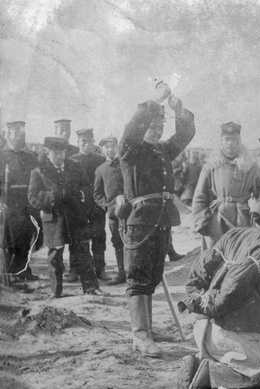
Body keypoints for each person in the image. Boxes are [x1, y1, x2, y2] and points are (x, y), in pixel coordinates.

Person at [176, 210, 260, 389]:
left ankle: (201, 365)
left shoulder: (237, 234)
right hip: (235, 334)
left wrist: (199, 299)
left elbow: (202, 266)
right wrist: (215, 306)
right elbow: (237, 281)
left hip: (206, 332)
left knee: (240, 361)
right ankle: (213, 374)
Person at [119, 82, 195, 357]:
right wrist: (155, 100)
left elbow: (185, 134)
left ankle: (147, 328)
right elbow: (132, 128)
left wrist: (178, 109)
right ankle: (140, 336)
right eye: (152, 126)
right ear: (143, 128)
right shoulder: (130, 149)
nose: (157, 130)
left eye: (160, 126)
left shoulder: (162, 151)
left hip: (162, 218)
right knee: (138, 276)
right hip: (139, 221)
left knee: (152, 275)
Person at [28, 137, 107, 298]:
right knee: (55, 255)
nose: (59, 156)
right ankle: (55, 291)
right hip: (54, 218)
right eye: (55, 153)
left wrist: (81, 195)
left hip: (75, 216)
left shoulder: (75, 167)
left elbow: (87, 187)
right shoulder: (38, 172)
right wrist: (53, 197)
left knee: (83, 251)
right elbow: (33, 197)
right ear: (47, 153)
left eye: (62, 152)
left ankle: (91, 288)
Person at [192, 122, 260, 247]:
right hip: (217, 218)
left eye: (234, 140)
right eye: (227, 139)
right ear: (221, 141)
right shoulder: (211, 166)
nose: (230, 143)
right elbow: (199, 194)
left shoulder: (250, 165)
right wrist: (200, 220)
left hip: (242, 218)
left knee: (240, 255)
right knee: (215, 256)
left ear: (239, 141)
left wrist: (259, 208)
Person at [0, 121, 40, 281]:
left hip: (28, 200)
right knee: (11, 239)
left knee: (26, 235)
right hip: (10, 201)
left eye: (21, 132)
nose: (18, 135)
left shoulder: (30, 156)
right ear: (8, 134)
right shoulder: (2, 156)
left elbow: (38, 178)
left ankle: (23, 270)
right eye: (15, 132)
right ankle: (12, 272)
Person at [70, 129, 109, 281]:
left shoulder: (100, 160)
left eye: (89, 141)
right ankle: (74, 269)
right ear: (78, 143)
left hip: (97, 204)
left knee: (99, 236)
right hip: (78, 205)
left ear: (94, 143)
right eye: (83, 141)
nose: (86, 144)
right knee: (76, 238)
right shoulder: (72, 160)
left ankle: (100, 269)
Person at [93, 136, 126, 285]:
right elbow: (97, 194)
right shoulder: (100, 169)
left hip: (131, 211)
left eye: (113, 146)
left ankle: (136, 273)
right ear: (102, 150)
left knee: (133, 241)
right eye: (106, 147)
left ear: (117, 147)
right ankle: (122, 273)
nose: (110, 149)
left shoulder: (126, 164)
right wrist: (107, 206)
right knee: (118, 242)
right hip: (114, 215)